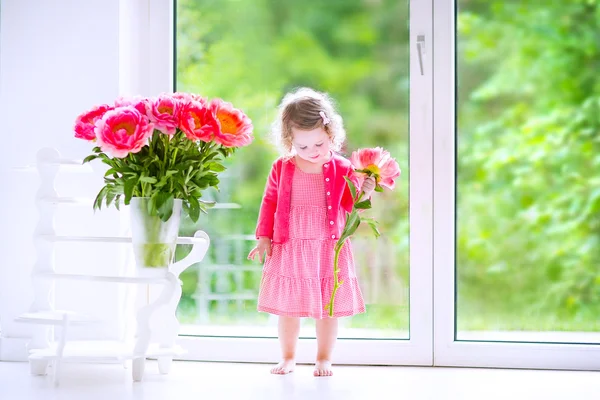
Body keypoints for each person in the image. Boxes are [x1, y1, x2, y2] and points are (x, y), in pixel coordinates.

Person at [248, 87, 375, 377]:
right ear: (289, 141)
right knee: (288, 308)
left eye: (318, 144)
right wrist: (264, 237)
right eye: (302, 147)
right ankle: (288, 356)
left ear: (331, 134)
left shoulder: (342, 167)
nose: (312, 152)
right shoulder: (282, 167)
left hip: (327, 248)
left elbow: (351, 206)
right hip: (290, 245)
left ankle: (323, 358)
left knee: (327, 307)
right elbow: (269, 202)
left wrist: (364, 191)